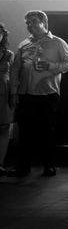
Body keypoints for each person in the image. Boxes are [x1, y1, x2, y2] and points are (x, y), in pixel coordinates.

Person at [8, 10, 68, 177]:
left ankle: (49, 166)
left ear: (44, 22)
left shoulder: (58, 43)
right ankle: (23, 167)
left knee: (47, 131)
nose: (30, 25)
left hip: (48, 94)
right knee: (24, 132)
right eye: (27, 23)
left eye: (33, 21)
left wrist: (50, 66)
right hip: (25, 94)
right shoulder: (23, 44)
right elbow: (15, 69)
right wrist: (14, 92)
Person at [0, 23, 14, 176]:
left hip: (4, 95)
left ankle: (1, 162)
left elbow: (12, 76)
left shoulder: (9, 54)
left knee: (4, 128)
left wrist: (13, 95)